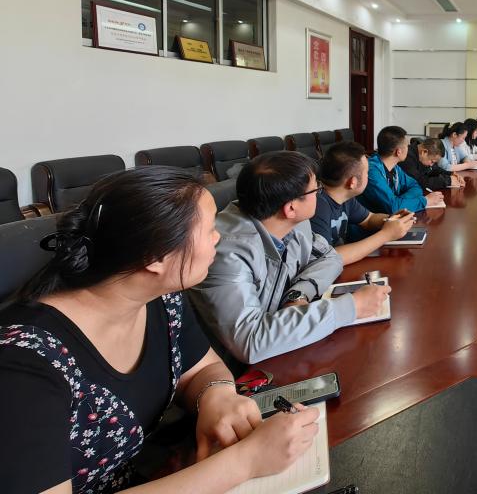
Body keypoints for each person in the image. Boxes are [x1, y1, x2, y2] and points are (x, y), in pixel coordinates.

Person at [0, 167, 318, 493]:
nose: (218, 238)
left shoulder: (160, 299)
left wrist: (217, 395)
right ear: (155, 257)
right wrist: (245, 461)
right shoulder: (23, 364)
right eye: (210, 229)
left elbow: (202, 369)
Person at [191, 151, 390, 364]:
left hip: (282, 346)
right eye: (316, 189)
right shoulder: (224, 254)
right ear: (291, 207)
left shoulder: (295, 223)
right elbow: (249, 340)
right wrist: (351, 307)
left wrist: (297, 295)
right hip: (233, 370)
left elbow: (329, 257)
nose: (321, 193)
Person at [311, 140, 417, 254]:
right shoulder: (317, 205)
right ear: (353, 182)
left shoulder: (345, 198)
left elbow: (368, 219)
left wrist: (393, 219)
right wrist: (386, 235)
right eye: (367, 173)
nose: (368, 176)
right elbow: (327, 257)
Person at [359, 126, 446, 214]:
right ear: (398, 152)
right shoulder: (372, 171)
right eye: (407, 146)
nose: (409, 148)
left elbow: (415, 186)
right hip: (372, 221)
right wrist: (425, 201)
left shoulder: (395, 168)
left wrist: (400, 202)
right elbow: (393, 208)